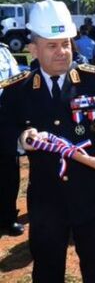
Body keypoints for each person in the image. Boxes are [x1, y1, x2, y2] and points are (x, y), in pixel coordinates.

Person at [0, 0, 95, 282]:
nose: (62, 52)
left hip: (92, 195)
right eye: (52, 45)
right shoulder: (17, 90)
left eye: (66, 43)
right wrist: (21, 139)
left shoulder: (94, 81)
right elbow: (3, 130)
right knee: (47, 272)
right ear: (33, 48)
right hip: (47, 201)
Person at [0, 43, 24, 237]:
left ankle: (8, 217)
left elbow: (16, 81)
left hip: (4, 119)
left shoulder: (4, 51)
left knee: (9, 170)